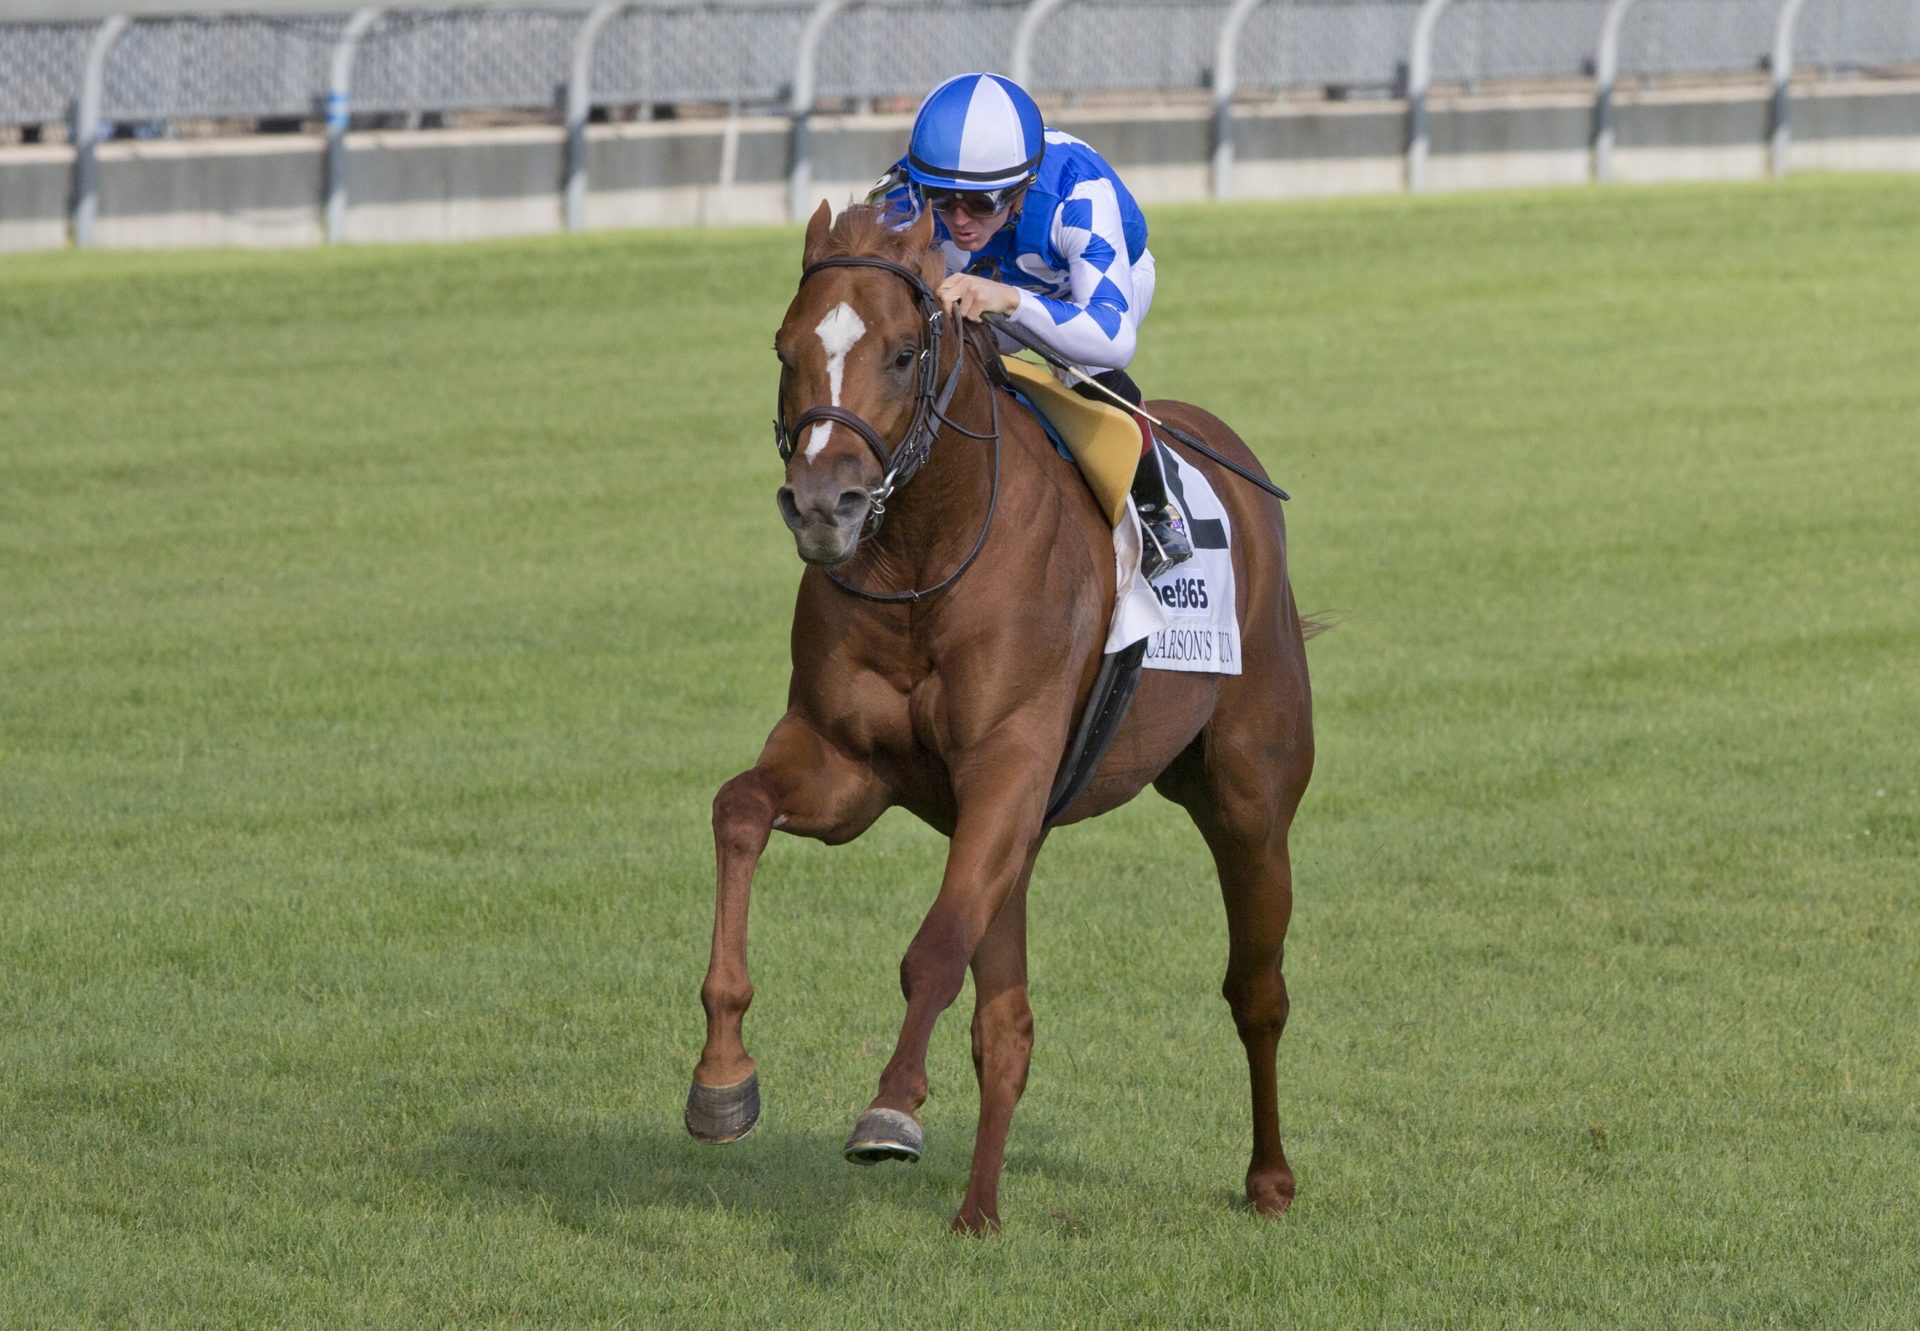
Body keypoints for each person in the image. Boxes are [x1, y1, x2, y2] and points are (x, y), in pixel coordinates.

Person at [869, 72, 1192, 578]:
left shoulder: (1078, 195)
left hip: (1092, 289)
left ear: (1022, 189)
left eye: (981, 202)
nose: (959, 219)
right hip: (984, 279)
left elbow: (1113, 337)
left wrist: (1012, 300)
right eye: (942, 198)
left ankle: (1156, 511)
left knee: (1078, 361)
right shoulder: (905, 198)